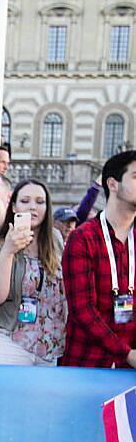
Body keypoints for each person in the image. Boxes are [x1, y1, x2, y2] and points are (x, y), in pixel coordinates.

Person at [0, 180, 66, 366]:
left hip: (47, 346)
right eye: (25, 201)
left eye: (40, 202)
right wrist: (8, 251)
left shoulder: (55, 239)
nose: (33, 206)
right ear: (14, 206)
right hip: (4, 343)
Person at [61, 150, 136, 369]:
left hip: (129, 372)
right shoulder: (83, 238)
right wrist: (127, 354)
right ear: (113, 184)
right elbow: (82, 310)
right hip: (88, 364)